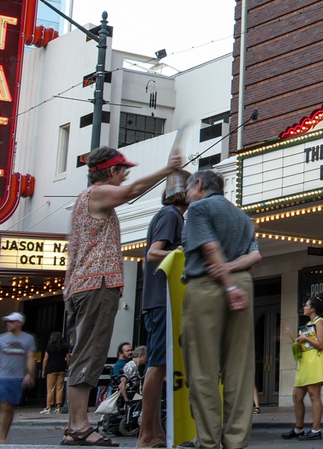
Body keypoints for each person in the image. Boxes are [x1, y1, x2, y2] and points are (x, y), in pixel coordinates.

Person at [63, 146, 181, 448]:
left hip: (81, 286)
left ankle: (75, 425)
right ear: (111, 171)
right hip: (96, 286)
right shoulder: (98, 194)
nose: (126, 174)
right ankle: (78, 426)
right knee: (90, 354)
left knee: (83, 354)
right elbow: (132, 191)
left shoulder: (82, 200)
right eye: (123, 169)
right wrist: (168, 170)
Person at [181, 169, 261, 449]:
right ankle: (236, 441)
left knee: (202, 368)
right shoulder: (241, 216)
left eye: (188, 189)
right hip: (244, 280)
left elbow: (209, 249)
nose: (187, 195)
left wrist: (227, 285)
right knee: (239, 369)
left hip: (208, 286)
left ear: (199, 184)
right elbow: (255, 254)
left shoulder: (198, 209)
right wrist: (233, 274)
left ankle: (208, 441)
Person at [138, 185, 187, 448]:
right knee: (156, 365)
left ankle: (155, 431)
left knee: (160, 364)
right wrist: (184, 254)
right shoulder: (171, 215)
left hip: (157, 300)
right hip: (161, 301)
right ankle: (146, 434)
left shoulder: (167, 214)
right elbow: (154, 253)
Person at [283, 295, 323, 440]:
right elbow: (300, 344)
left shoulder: (320, 322)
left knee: (314, 395)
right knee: (297, 396)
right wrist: (291, 333)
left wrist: (305, 338)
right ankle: (299, 428)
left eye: (306, 305)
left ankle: (316, 431)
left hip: (315, 361)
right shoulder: (309, 323)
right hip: (305, 362)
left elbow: (321, 344)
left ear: (313, 308)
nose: (304, 307)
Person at [0, 312, 37, 444]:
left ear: (20, 323)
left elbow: (30, 357)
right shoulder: (0, 338)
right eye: (7, 322)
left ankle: (3, 433)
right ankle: (1, 438)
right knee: (4, 405)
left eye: (11, 321)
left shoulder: (28, 339)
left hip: (17, 377)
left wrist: (30, 374)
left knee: (10, 407)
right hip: (2, 376)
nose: (8, 324)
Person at [41, 331, 70, 415]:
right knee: (60, 388)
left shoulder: (49, 347)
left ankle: (48, 407)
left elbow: (45, 360)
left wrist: (43, 371)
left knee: (50, 388)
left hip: (51, 369)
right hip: (61, 369)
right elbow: (68, 358)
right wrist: (68, 367)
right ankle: (58, 407)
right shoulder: (64, 347)